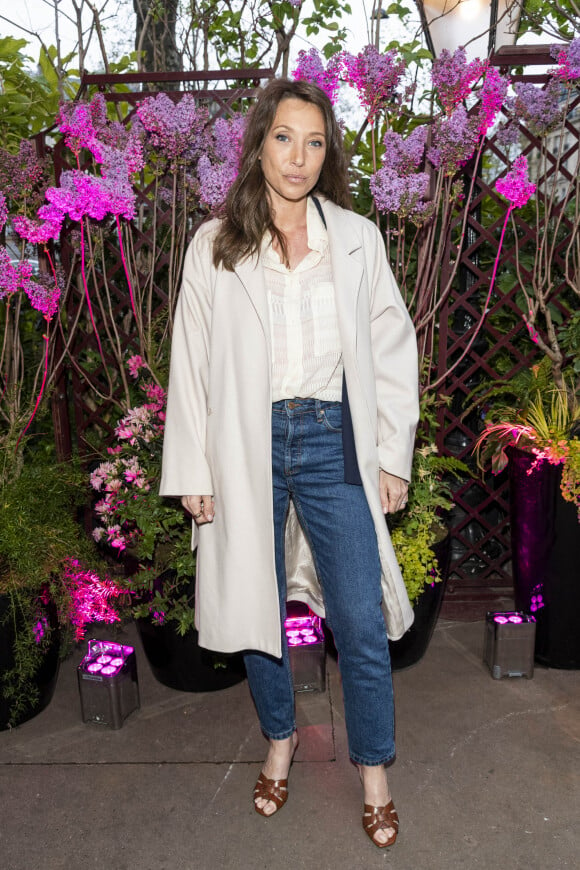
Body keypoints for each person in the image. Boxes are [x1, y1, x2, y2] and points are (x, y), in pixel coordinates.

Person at [160, 77, 419, 849]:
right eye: (284, 138)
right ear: (259, 144)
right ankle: (279, 740)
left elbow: (392, 350)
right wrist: (194, 474)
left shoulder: (356, 238)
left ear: (325, 151)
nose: (298, 156)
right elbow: (192, 365)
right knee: (257, 614)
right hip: (247, 443)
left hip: (334, 436)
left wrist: (391, 452)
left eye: (313, 141)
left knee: (360, 618)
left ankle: (374, 768)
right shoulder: (215, 245)